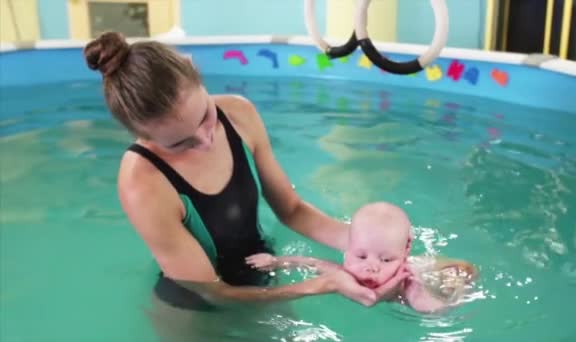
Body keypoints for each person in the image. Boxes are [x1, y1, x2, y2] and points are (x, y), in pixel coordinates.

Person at [83, 32, 408, 314]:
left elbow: (292, 210)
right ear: (144, 137)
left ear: (194, 68)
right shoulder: (142, 182)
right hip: (197, 309)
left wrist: (378, 254)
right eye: (181, 143)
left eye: (205, 116)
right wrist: (320, 285)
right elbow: (212, 291)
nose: (206, 139)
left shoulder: (239, 114)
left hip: (263, 277)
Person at [247, 202, 478, 313]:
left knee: (461, 271)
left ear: (405, 252)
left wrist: (448, 293)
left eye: (386, 260)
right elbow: (313, 263)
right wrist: (276, 262)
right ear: (348, 248)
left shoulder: (410, 283)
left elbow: (435, 309)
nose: (372, 268)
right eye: (361, 256)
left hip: (422, 276)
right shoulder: (344, 274)